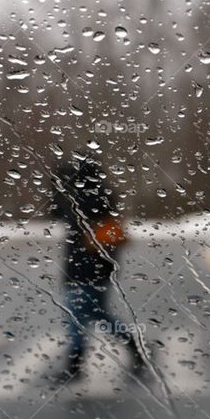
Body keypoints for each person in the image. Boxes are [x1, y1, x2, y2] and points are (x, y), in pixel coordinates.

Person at [52, 156, 146, 382]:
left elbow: (57, 213)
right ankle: (134, 348)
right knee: (97, 314)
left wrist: (58, 188)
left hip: (82, 268)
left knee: (76, 316)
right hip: (101, 267)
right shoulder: (104, 194)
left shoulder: (80, 198)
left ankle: (74, 365)